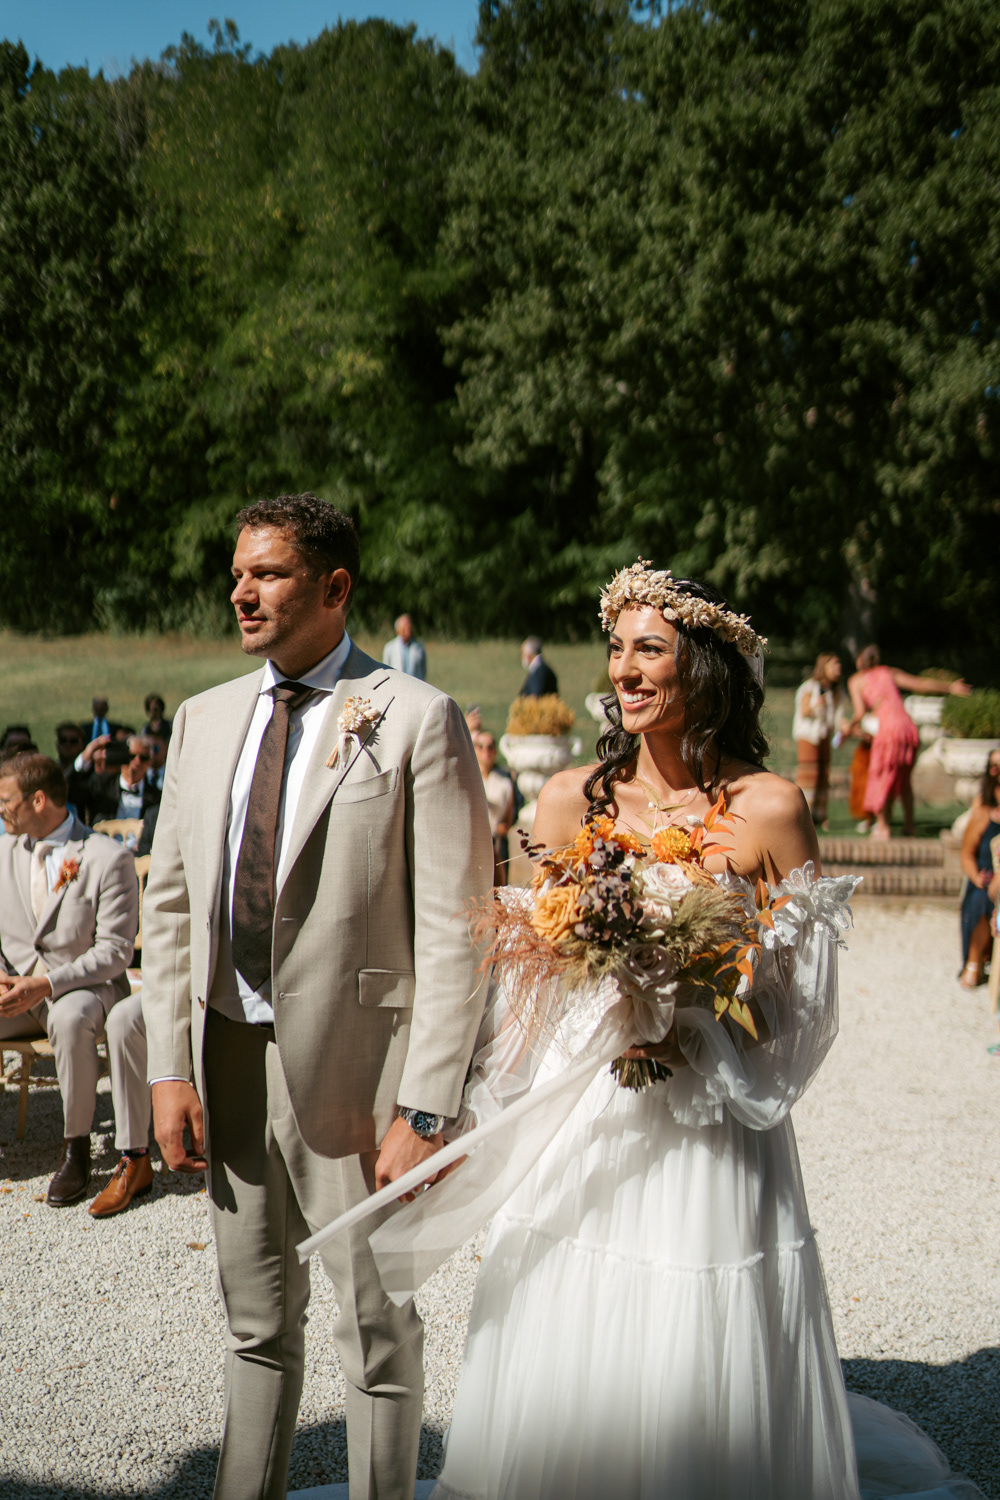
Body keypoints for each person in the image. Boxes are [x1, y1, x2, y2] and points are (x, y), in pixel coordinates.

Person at [346, 563, 982, 1500]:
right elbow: (526, 989)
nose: (626, 669)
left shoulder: (771, 810)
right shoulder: (570, 802)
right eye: (618, 648)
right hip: (587, 1112)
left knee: (697, 1331)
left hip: (708, 1125)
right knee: (570, 1314)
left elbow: (801, 1007)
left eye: (651, 649)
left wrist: (692, 1021)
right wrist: (467, 1119)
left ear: (705, 670)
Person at [141, 493, 492, 1500]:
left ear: (334, 587)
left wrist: (427, 1105)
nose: (241, 591)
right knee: (253, 1324)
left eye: (268, 573)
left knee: (375, 1328)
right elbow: (170, 907)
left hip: (362, 1076)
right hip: (225, 1057)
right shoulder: (204, 720)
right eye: (238, 573)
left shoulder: (414, 717)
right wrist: (167, 1069)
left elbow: (459, 926)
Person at [0, 753, 140, 1206]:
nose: (0, 810)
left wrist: (45, 985)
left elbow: (115, 952)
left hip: (85, 990)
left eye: (6, 801)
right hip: (15, 993)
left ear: (38, 800)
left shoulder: (108, 857)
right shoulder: (2, 852)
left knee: (69, 1016)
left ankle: (76, 1150)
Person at [844, 647, 970, 839]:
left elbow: (860, 713)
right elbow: (920, 683)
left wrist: (847, 726)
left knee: (880, 776)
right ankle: (909, 826)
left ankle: (882, 827)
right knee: (904, 781)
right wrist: (950, 687)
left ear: (859, 660)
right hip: (908, 728)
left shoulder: (856, 680)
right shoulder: (889, 672)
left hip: (888, 731)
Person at [958, 750, 1000, 988]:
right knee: (980, 899)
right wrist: (976, 877)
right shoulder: (983, 814)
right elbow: (966, 853)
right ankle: (974, 962)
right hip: (984, 880)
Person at [792, 652, 841, 826]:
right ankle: (804, 814)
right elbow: (805, 711)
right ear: (823, 667)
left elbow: (837, 714)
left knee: (823, 774)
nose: (838, 668)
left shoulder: (835, 690)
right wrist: (816, 705)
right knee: (809, 775)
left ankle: (820, 815)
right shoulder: (810, 687)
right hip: (809, 736)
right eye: (834, 665)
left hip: (824, 734)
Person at [473, 730, 515, 885]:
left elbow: (508, 817)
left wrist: (502, 828)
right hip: (473, 840)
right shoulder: (469, 778)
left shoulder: (505, 782)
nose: (486, 751)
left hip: (496, 842)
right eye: (481, 746)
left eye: (490, 747)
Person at [382, 612, 427, 679]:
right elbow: (386, 670)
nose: (408, 627)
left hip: (415, 684)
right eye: (405, 625)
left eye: (409, 624)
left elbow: (423, 670)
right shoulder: (390, 647)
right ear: (398, 629)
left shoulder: (419, 647)